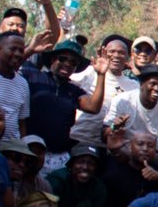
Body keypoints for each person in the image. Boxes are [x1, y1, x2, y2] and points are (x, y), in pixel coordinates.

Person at [25, 40, 109, 173]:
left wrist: (101, 75)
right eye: (63, 59)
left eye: (73, 62)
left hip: (59, 156)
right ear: (53, 59)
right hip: (29, 151)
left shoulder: (74, 90)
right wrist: (29, 50)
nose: (68, 64)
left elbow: (93, 107)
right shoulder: (33, 76)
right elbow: (9, 69)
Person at [70, 36, 138, 146]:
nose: (116, 55)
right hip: (79, 138)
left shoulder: (134, 86)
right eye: (112, 51)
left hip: (109, 144)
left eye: (121, 53)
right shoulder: (89, 72)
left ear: (127, 58)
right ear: (104, 53)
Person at [0, 31, 43, 140]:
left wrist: (22, 145)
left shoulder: (23, 83)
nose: (18, 54)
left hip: (12, 146)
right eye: (13, 49)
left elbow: (21, 121)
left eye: (21, 50)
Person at [104, 64, 158, 139]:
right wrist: (114, 127)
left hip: (152, 145)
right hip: (125, 144)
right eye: (153, 84)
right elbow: (104, 134)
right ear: (141, 84)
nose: (157, 88)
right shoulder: (123, 101)